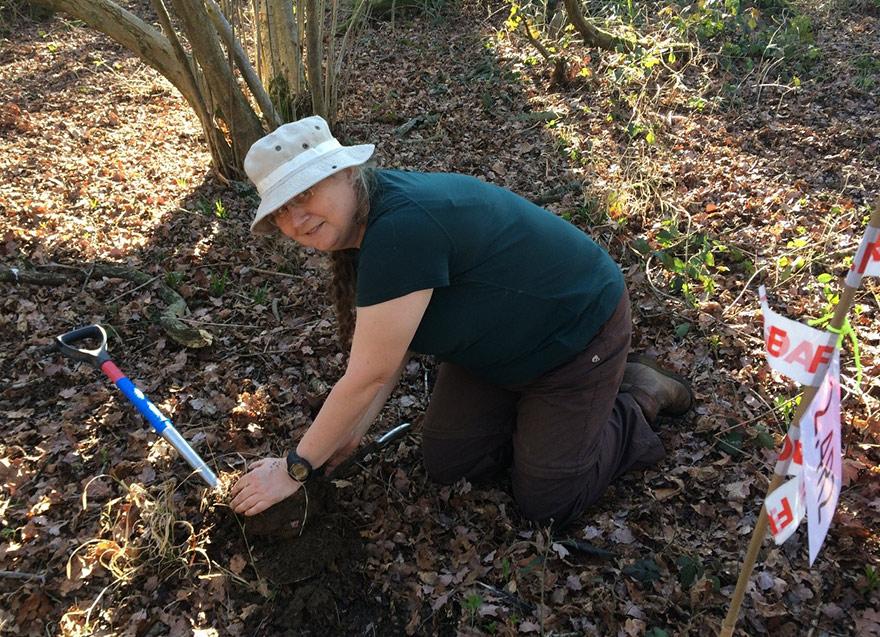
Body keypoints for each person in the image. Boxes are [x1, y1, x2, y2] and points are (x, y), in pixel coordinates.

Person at [229, 116, 692, 528]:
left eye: (305, 193)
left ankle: (637, 390)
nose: (296, 219)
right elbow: (388, 354)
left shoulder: (399, 229)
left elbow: (366, 375)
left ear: (347, 173)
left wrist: (296, 467)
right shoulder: (366, 223)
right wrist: (352, 431)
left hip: (574, 335)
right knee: (452, 463)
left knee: (547, 502)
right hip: (498, 346)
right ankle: (544, 421)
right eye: (281, 211)